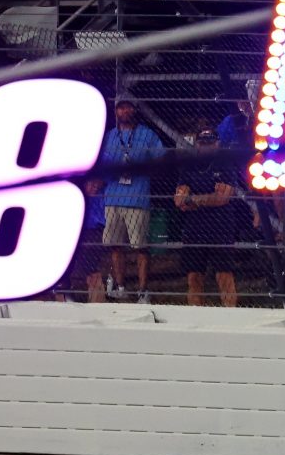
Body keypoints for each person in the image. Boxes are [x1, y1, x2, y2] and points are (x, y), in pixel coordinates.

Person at [89, 100, 165, 303]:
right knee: (115, 245)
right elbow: (101, 164)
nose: (125, 111)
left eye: (129, 107)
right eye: (121, 107)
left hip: (138, 198)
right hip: (113, 198)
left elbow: (161, 158)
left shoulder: (147, 134)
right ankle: (121, 286)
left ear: (135, 109)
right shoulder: (110, 136)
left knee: (140, 247)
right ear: (116, 111)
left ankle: (143, 290)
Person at [173, 127, 246, 306]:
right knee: (194, 276)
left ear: (217, 144)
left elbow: (223, 198)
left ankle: (231, 316)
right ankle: (196, 315)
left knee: (224, 274)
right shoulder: (189, 166)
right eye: (203, 143)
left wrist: (194, 199)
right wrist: (207, 198)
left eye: (210, 143)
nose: (206, 146)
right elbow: (179, 200)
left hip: (220, 226)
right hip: (194, 228)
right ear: (197, 144)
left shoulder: (225, 164)